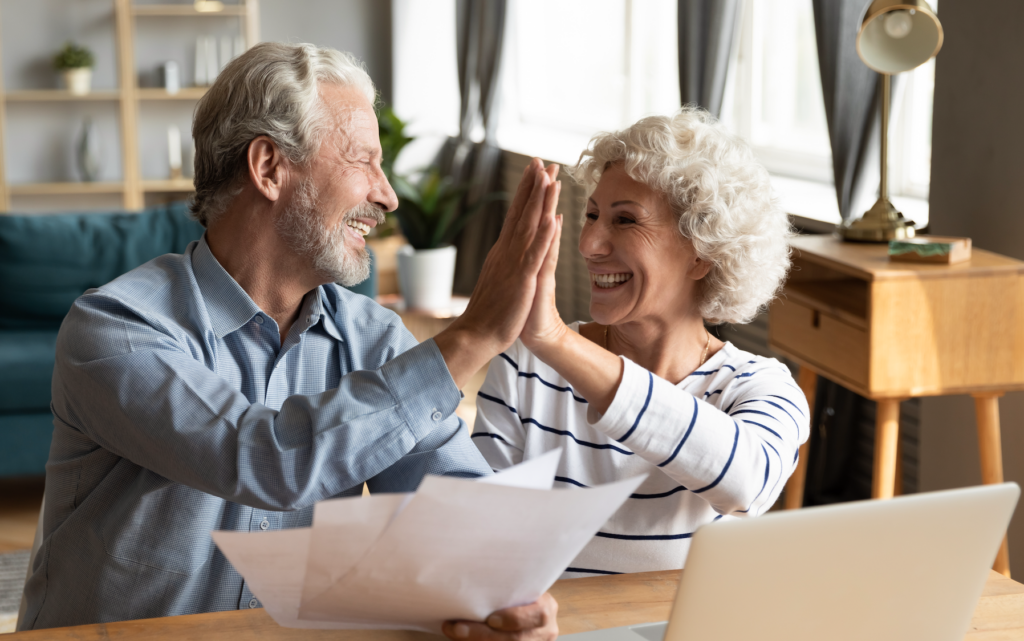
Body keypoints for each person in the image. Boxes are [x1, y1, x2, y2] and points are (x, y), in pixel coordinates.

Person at [20, 42, 558, 640]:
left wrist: (504, 587)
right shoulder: (117, 328)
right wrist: (473, 337)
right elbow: (265, 460)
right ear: (269, 168)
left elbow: (451, 501)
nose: (388, 196)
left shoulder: (374, 338)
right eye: (363, 162)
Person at [473, 107, 810, 578]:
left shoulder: (759, 387)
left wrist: (556, 341)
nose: (590, 243)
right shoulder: (528, 364)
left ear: (702, 254)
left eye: (625, 221)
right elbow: (479, 535)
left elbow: (745, 481)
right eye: (591, 215)